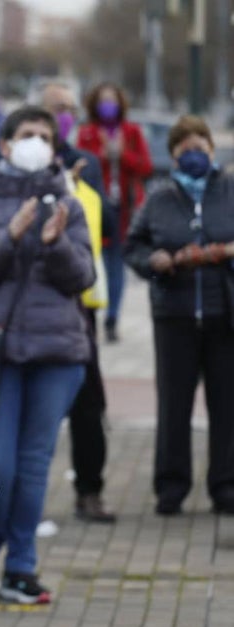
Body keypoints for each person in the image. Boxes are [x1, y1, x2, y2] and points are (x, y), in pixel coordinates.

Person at [0, 106, 95, 604]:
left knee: (35, 464)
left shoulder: (69, 204)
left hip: (57, 352)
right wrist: (10, 236)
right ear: (6, 145)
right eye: (27, 135)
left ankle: (20, 566)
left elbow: (84, 278)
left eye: (45, 136)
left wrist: (54, 244)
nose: (37, 142)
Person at [125, 115, 234, 515]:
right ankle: (171, 486)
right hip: (174, 315)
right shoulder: (158, 198)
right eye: (184, 150)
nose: (193, 156)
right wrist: (154, 262)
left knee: (227, 404)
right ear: (173, 156)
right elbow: (133, 247)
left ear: (211, 149)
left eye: (200, 148)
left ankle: (226, 485)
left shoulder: (230, 189)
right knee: (174, 404)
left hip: (226, 317)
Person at [35, 81, 114, 523]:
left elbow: (107, 231)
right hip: (25, 307)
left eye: (69, 109)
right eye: (55, 109)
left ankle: (90, 490)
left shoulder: (89, 166)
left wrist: (80, 192)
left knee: (88, 402)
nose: (64, 116)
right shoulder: (5, 162)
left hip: (76, 303)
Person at [77, 83, 153, 343]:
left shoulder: (131, 132)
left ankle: (112, 316)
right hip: (97, 207)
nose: (108, 105)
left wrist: (123, 154)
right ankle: (94, 312)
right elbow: (82, 167)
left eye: (112, 100)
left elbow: (146, 167)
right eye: (102, 101)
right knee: (97, 261)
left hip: (125, 208)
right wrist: (102, 153)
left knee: (117, 264)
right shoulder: (87, 133)